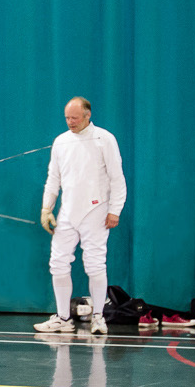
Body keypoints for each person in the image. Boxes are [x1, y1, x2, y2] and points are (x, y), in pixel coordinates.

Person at [35, 98, 126, 335]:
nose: (70, 122)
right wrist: (47, 209)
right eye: (67, 118)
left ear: (87, 115)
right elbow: (53, 178)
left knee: (95, 264)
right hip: (68, 212)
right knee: (58, 263)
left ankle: (98, 317)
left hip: (96, 211)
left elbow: (117, 177)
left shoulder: (104, 139)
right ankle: (63, 318)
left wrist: (115, 209)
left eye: (74, 118)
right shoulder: (61, 142)